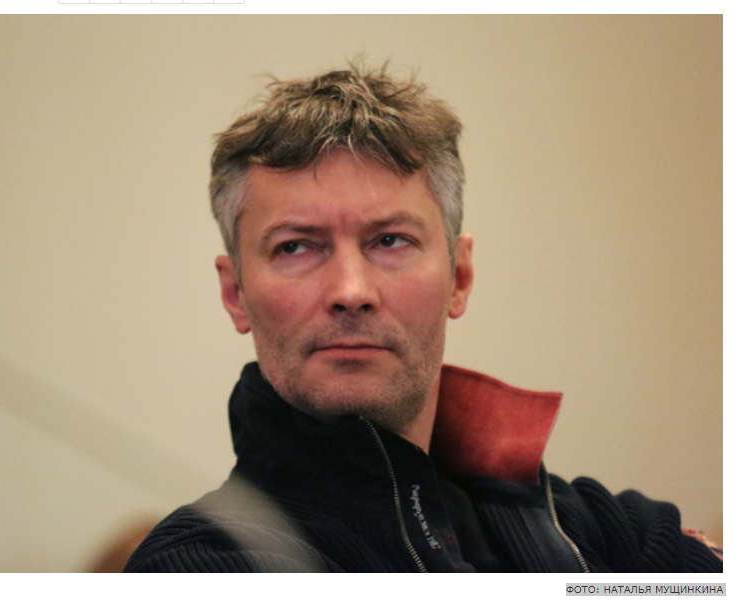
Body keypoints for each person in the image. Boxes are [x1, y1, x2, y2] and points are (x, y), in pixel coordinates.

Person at [124, 65, 722, 573]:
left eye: (390, 240)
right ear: (235, 294)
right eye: (296, 246)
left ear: (459, 276)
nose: (351, 291)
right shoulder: (196, 567)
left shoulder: (606, 539)